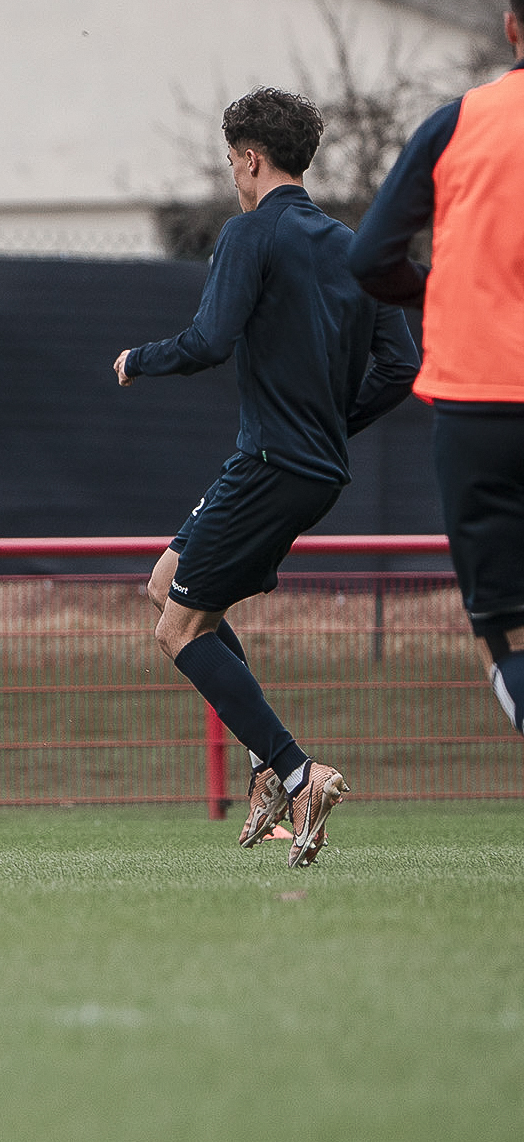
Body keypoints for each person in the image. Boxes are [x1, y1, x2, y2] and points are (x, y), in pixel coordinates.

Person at [112, 89, 419, 866]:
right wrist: (333, 422)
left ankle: (295, 769)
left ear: (251, 157)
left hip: (270, 462)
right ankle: (266, 767)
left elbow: (213, 338)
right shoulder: (354, 247)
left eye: (231, 162)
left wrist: (138, 360)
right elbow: (403, 365)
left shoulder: (251, 232)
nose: (233, 176)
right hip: (308, 467)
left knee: (176, 630)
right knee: (168, 581)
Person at [349, 0, 524, 737]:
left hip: (483, 401)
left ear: (512, 27)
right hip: (480, 392)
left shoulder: (462, 122)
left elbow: (369, 258)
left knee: (505, 625)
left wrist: (441, 288)